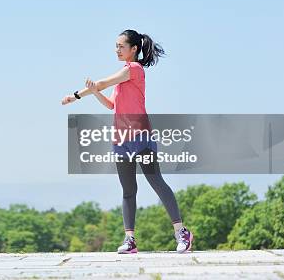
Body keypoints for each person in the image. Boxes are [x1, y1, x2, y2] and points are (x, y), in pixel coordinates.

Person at [61, 29, 194, 254]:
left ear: (134, 49)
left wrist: (76, 95)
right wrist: (94, 92)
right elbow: (111, 104)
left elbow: (102, 82)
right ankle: (130, 239)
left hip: (140, 136)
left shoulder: (133, 69)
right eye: (116, 46)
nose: (117, 50)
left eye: (121, 46)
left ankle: (182, 232)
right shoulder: (123, 78)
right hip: (121, 139)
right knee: (128, 189)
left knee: (156, 182)